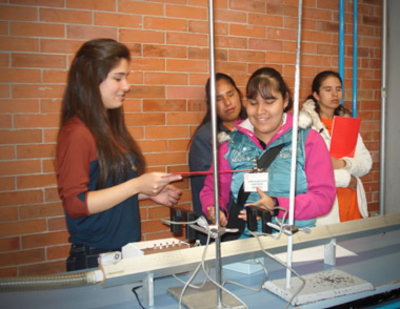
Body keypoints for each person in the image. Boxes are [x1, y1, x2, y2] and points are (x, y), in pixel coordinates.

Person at [56, 38, 182, 271]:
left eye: (126, 77)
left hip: (125, 253)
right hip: (96, 259)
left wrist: (146, 193)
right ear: (92, 79)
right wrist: (137, 185)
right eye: (118, 78)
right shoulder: (76, 133)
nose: (127, 86)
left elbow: (104, 192)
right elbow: (76, 204)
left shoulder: (108, 130)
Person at [199, 67, 336, 238]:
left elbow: (324, 198)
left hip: (297, 240)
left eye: (269, 102)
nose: (260, 111)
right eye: (253, 103)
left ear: (285, 100)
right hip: (246, 243)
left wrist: (276, 205)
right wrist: (215, 208)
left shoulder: (307, 140)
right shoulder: (231, 144)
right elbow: (213, 189)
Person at [300, 70, 372, 225]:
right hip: (327, 212)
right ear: (316, 95)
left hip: (353, 206)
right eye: (328, 89)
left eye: (338, 89)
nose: (335, 94)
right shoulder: (305, 128)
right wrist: (346, 178)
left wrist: (343, 164)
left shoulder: (347, 124)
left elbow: (366, 164)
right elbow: (305, 174)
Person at [188, 73, 246, 219]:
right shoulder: (206, 137)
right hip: (222, 221)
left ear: (239, 94)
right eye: (219, 99)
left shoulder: (255, 128)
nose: (227, 102)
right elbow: (209, 189)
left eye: (231, 94)